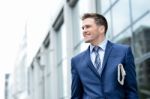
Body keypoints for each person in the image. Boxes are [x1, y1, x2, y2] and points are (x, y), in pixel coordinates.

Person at [71, 13, 139, 99]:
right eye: (83, 28)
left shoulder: (123, 52)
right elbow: (76, 96)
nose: (84, 30)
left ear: (101, 29)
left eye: (88, 27)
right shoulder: (76, 61)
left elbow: (131, 91)